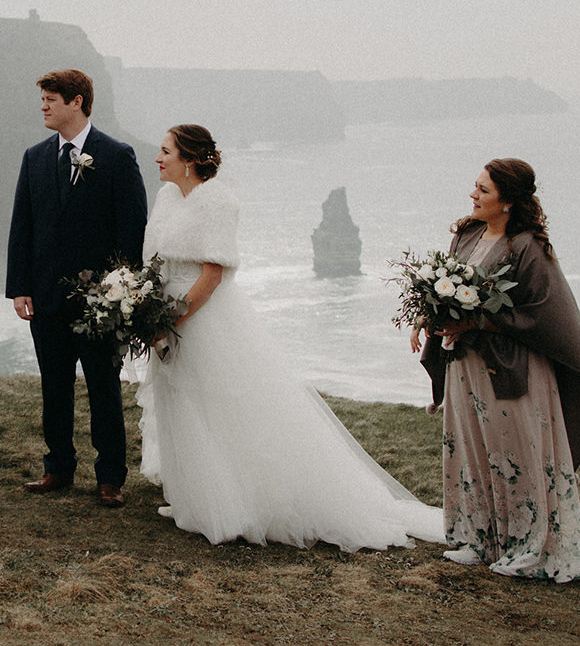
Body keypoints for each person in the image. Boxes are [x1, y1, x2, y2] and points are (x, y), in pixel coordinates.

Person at [137, 125, 444, 550]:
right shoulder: (167, 197)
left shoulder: (218, 201)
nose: (158, 158)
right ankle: (192, 496)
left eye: (165, 151)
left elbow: (212, 274)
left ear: (188, 159)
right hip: (165, 313)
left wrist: (173, 320)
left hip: (202, 317)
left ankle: (234, 503)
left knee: (217, 405)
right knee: (179, 402)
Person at [413, 158, 580, 582]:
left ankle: (528, 548)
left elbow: (543, 315)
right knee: (469, 450)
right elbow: (445, 291)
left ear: (507, 202)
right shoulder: (467, 234)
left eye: (484, 191)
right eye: (475, 186)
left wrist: (478, 321)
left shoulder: (528, 247)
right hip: (465, 363)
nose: (474, 195)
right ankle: (477, 539)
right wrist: (426, 317)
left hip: (510, 370)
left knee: (515, 457)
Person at [6, 69, 148, 506]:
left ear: (78, 102)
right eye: (43, 99)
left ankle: (110, 478)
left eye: (51, 99)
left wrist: (122, 290)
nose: (44, 107)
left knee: (104, 387)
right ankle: (58, 469)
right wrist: (19, 287)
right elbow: (22, 226)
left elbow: (132, 230)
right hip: (46, 297)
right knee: (54, 386)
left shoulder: (117, 155)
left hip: (100, 303)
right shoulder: (34, 157)